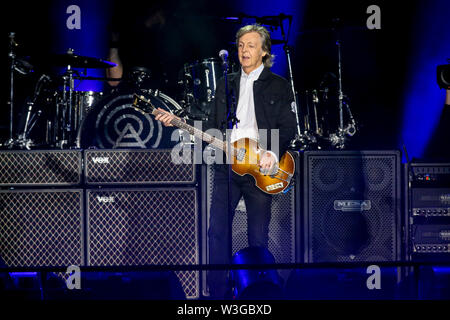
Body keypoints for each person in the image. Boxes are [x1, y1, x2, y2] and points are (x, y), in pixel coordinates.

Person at [155, 24, 297, 299]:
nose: (244, 50)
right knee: (217, 233)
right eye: (241, 45)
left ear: (265, 52)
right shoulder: (226, 82)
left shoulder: (279, 85)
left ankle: (259, 294)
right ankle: (216, 294)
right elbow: (210, 126)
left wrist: (272, 151)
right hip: (227, 167)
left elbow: (289, 126)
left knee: (258, 237)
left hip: (261, 168)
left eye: (251, 45)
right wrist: (179, 123)